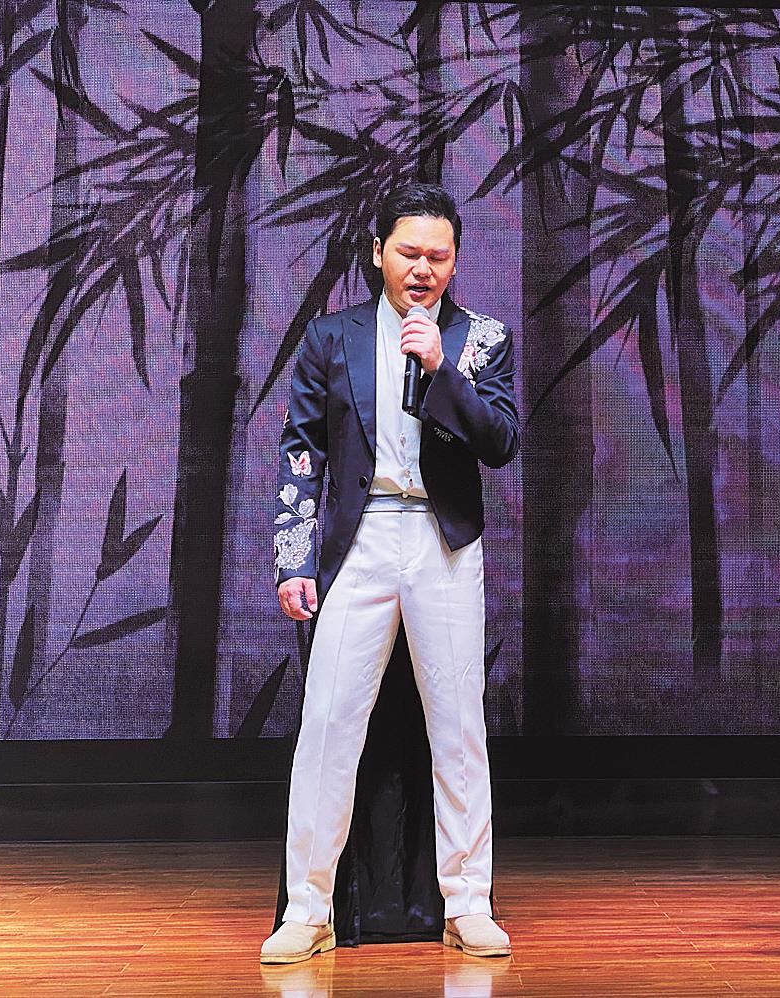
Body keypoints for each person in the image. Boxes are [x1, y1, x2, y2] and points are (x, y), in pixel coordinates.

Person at [262, 182, 518, 964]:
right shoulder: (330, 337)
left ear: (455, 261)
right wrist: (294, 557)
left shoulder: (480, 338)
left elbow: (500, 441)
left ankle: (467, 903)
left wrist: (441, 369)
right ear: (378, 253)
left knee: (458, 727)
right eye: (408, 252)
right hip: (361, 538)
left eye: (438, 256)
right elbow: (301, 449)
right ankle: (307, 909)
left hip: (443, 543)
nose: (422, 269)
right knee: (328, 724)